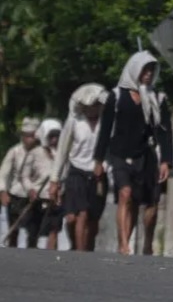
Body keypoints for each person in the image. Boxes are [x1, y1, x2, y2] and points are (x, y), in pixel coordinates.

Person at [94, 51, 172, 256]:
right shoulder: (116, 97)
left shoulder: (157, 98)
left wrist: (166, 160)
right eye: (144, 70)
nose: (147, 74)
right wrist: (99, 159)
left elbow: (164, 132)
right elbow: (105, 130)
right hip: (120, 154)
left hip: (146, 155)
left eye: (151, 70)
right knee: (125, 194)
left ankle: (147, 242)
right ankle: (123, 243)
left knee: (150, 202)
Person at [50, 84, 107, 252]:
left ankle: (87, 249)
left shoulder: (107, 123)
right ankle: (79, 253)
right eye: (88, 106)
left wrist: (104, 166)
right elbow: (62, 151)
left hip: (98, 176)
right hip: (76, 173)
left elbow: (112, 150)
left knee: (93, 219)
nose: (92, 109)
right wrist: (55, 180)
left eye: (96, 105)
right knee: (79, 215)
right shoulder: (74, 122)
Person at [1, 117, 42, 248]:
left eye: (32, 135)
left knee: (34, 232)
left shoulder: (41, 153)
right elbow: (3, 173)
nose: (29, 139)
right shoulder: (14, 151)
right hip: (16, 196)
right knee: (14, 231)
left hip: (35, 197)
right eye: (27, 135)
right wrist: (3, 191)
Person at [24, 119, 63, 250]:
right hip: (37, 199)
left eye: (57, 136)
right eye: (51, 136)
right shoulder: (35, 153)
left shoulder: (63, 154)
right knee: (33, 233)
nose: (54, 140)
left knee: (54, 230)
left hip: (55, 200)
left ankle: (51, 258)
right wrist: (30, 190)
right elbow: (25, 176)